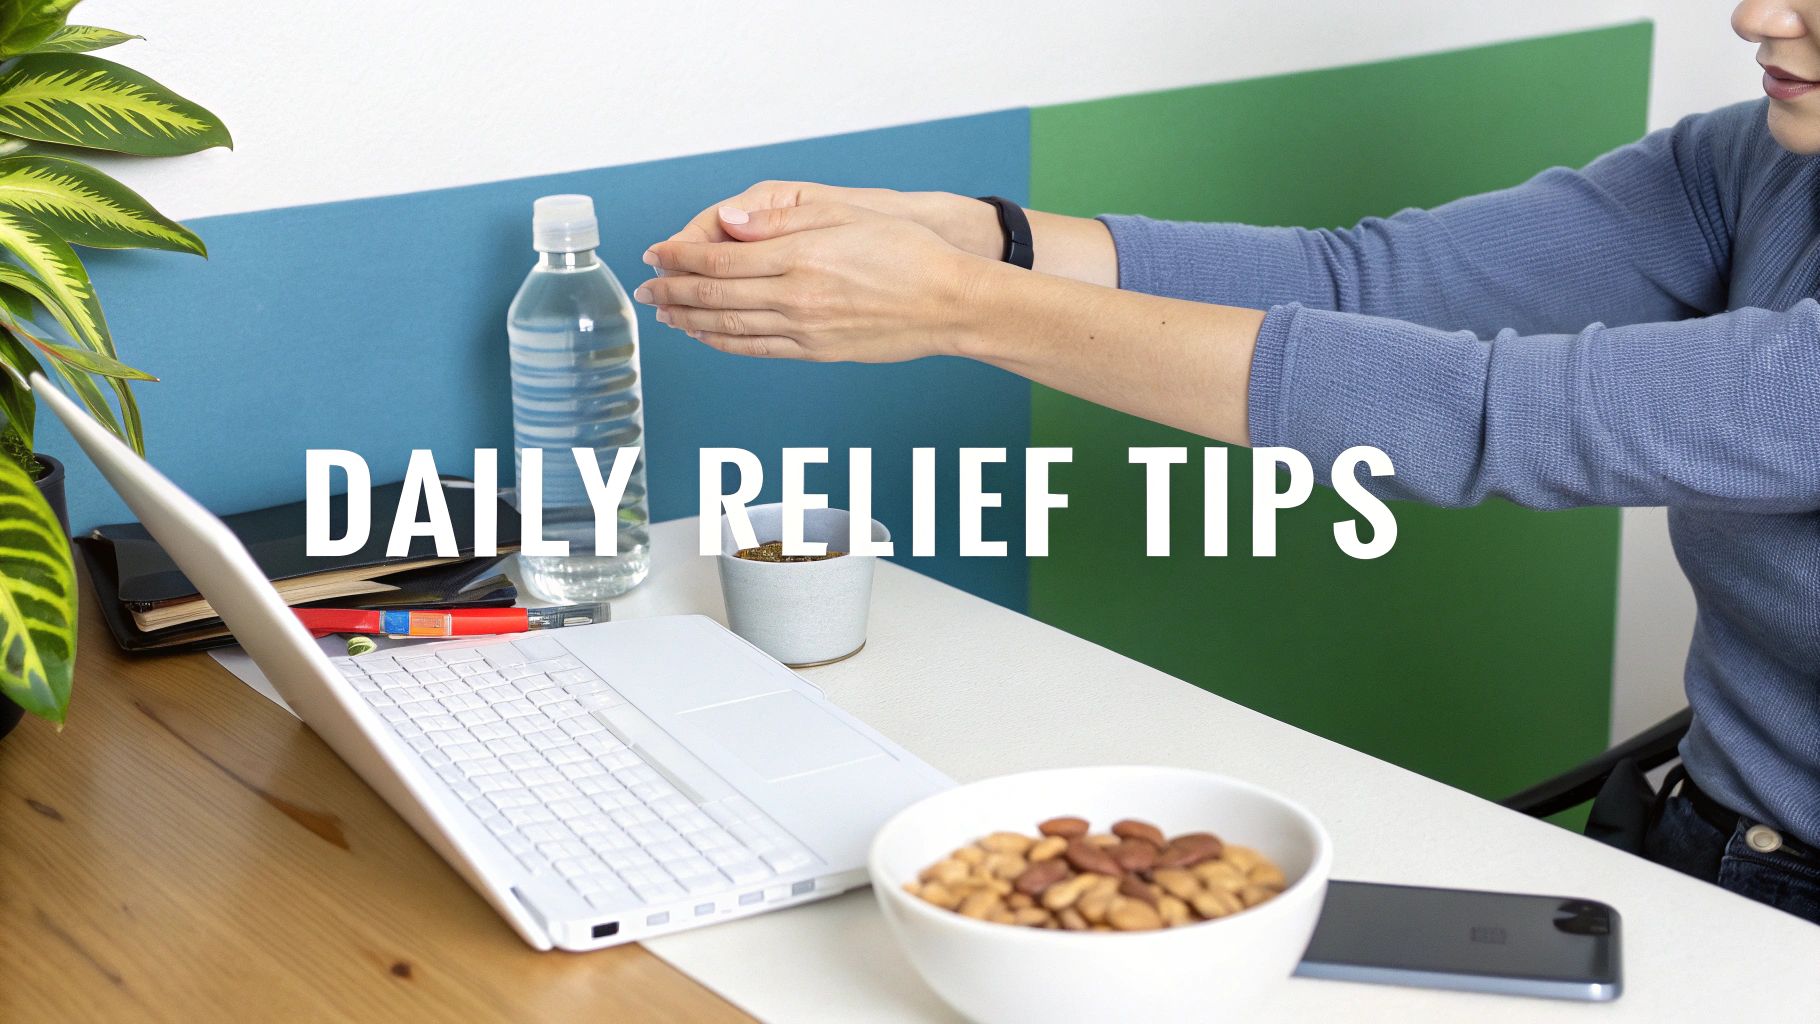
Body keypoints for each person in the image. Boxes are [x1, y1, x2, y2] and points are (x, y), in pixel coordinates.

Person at [632, 1, 1820, 925]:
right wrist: (985, 238)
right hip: (1704, 838)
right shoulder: (1762, 163)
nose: (1753, 17)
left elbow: (1480, 412)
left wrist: (958, 306)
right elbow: (1371, 281)